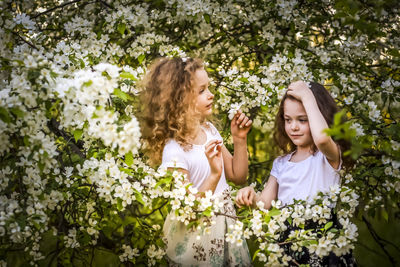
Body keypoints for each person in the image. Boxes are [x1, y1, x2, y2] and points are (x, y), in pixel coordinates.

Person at [140, 57, 252, 266]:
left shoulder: (210, 131)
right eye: (201, 91)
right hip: (198, 239)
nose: (211, 95)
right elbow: (188, 213)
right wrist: (214, 175)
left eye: (208, 88)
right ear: (179, 99)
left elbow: (238, 176)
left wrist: (239, 139)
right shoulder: (174, 152)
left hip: (225, 228)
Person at [236, 81, 355, 266]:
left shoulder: (328, 157)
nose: (293, 127)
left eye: (303, 119)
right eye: (288, 119)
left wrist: (308, 97)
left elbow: (322, 139)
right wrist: (250, 198)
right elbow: (264, 204)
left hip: (322, 242)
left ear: (319, 117)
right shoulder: (281, 163)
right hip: (288, 244)